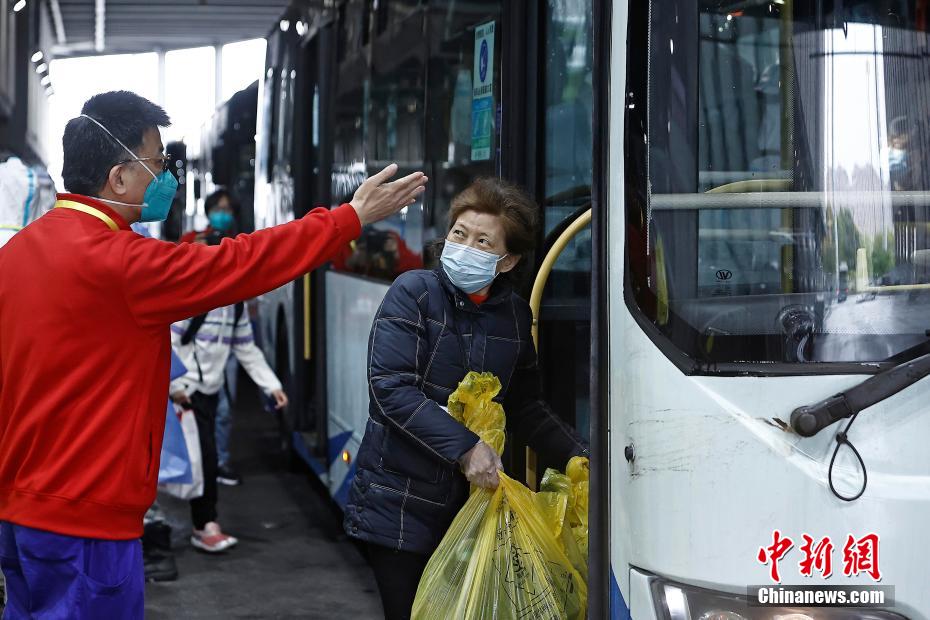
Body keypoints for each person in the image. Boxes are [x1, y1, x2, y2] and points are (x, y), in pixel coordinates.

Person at [0, 90, 426, 619]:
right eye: (158, 164)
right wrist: (348, 219)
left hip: (20, 512)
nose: (166, 178)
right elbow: (241, 264)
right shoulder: (120, 264)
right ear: (119, 178)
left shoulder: (16, 254)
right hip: (84, 518)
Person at [344, 177, 588, 620]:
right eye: (460, 234)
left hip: (470, 508)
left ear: (508, 259)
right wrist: (466, 447)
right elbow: (391, 390)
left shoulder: (514, 315)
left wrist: (578, 454)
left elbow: (524, 405)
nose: (464, 246)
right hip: (400, 505)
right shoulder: (414, 292)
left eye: (482, 241)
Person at [169, 294, 288, 552]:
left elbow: (246, 348)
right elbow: (169, 342)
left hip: (210, 392)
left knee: (203, 459)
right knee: (204, 459)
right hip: (187, 393)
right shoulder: (191, 299)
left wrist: (271, 386)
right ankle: (204, 524)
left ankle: (202, 524)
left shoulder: (235, 307)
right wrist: (175, 386)